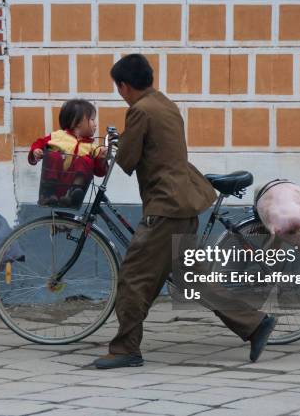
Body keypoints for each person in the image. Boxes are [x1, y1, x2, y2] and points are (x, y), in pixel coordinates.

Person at [93, 54, 277, 369]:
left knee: (133, 277)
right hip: (184, 203)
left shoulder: (139, 111)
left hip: (165, 208)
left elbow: (126, 161)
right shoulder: (165, 104)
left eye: (118, 87)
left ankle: (125, 348)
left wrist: (106, 147)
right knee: (191, 280)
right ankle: (255, 324)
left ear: (124, 85)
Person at [28, 99, 108, 207]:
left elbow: (99, 172)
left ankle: (73, 193)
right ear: (78, 122)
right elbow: (40, 143)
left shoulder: (93, 148)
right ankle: (48, 194)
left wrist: (102, 159)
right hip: (54, 183)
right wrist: (36, 151)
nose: (95, 124)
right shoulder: (58, 136)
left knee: (86, 160)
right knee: (53, 155)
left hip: (72, 189)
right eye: (92, 119)